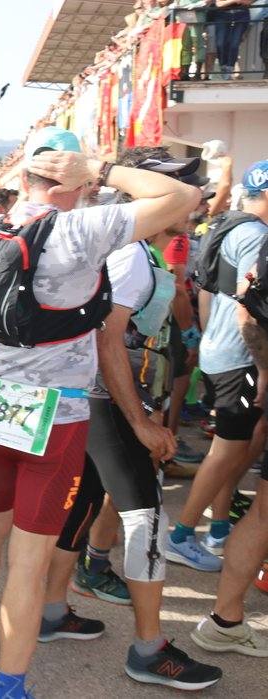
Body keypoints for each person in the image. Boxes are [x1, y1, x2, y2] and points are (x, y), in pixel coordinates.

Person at [0, 127, 200, 699]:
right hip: (56, 415)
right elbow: (179, 198)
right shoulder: (79, 229)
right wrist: (106, 168)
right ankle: (9, 686)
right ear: (72, 178)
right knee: (29, 558)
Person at [43, 149, 222, 690]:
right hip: (106, 400)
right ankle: (149, 649)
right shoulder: (129, 254)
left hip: (98, 398)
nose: (200, 200)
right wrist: (141, 420)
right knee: (146, 521)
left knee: (83, 506)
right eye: (187, 189)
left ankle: (51, 613)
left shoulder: (134, 248)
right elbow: (107, 338)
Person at [166, 159, 268, 572]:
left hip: (220, 351)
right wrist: (262, 368)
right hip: (241, 356)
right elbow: (249, 311)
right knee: (227, 452)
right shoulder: (258, 236)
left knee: (237, 445)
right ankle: (182, 534)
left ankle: (221, 527)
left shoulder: (229, 226)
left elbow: (207, 293)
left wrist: (209, 339)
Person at [190, 233, 268, 655]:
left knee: (261, 513)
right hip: (230, 365)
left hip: (229, 362)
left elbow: (248, 304)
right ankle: (190, 531)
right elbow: (248, 306)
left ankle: (225, 620)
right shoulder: (254, 237)